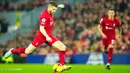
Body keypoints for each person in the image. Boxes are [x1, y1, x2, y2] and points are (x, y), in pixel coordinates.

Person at [4, 1, 71, 71]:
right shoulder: (44, 16)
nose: (54, 11)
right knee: (27, 51)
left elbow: (54, 6)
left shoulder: (51, 9)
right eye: (54, 9)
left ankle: (62, 65)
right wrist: (47, 37)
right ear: (49, 8)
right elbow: (41, 29)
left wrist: (59, 6)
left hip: (49, 36)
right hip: (41, 37)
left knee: (63, 47)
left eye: (55, 9)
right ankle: (12, 51)